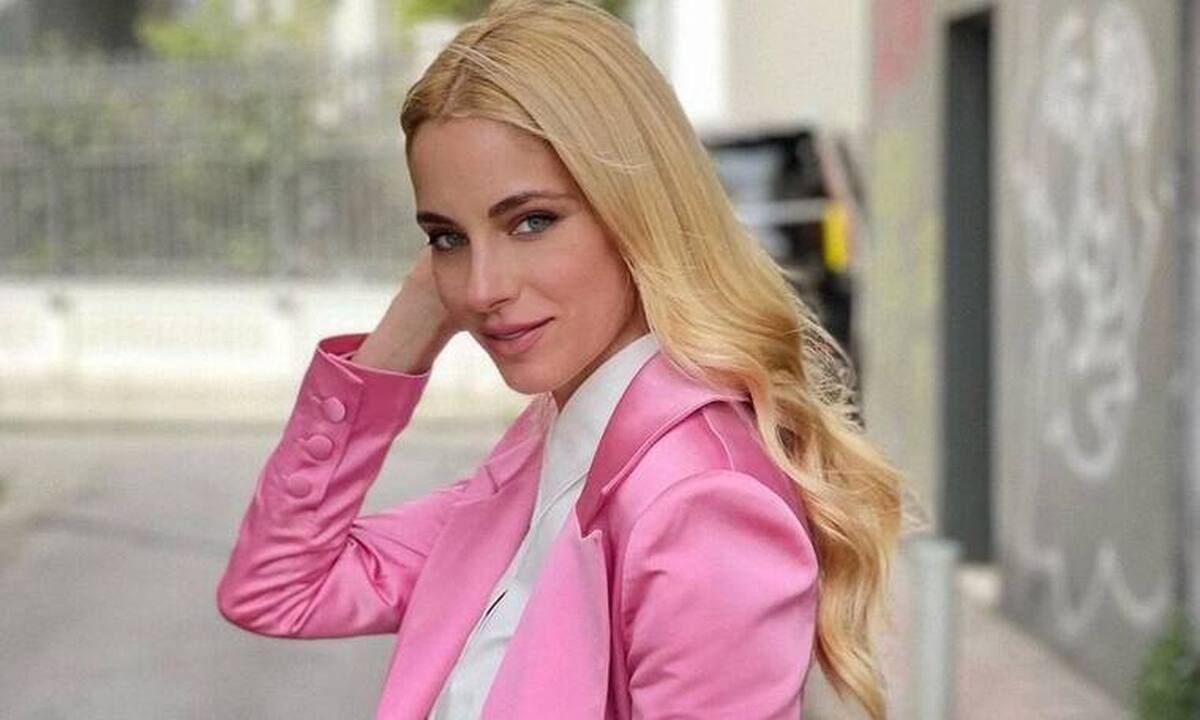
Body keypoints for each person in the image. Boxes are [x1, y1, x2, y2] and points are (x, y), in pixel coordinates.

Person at [216, 1, 904, 718]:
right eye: (447, 237)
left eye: (532, 222)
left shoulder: (696, 499)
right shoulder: (556, 454)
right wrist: (411, 322)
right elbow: (278, 587)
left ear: (635, 210)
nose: (481, 288)